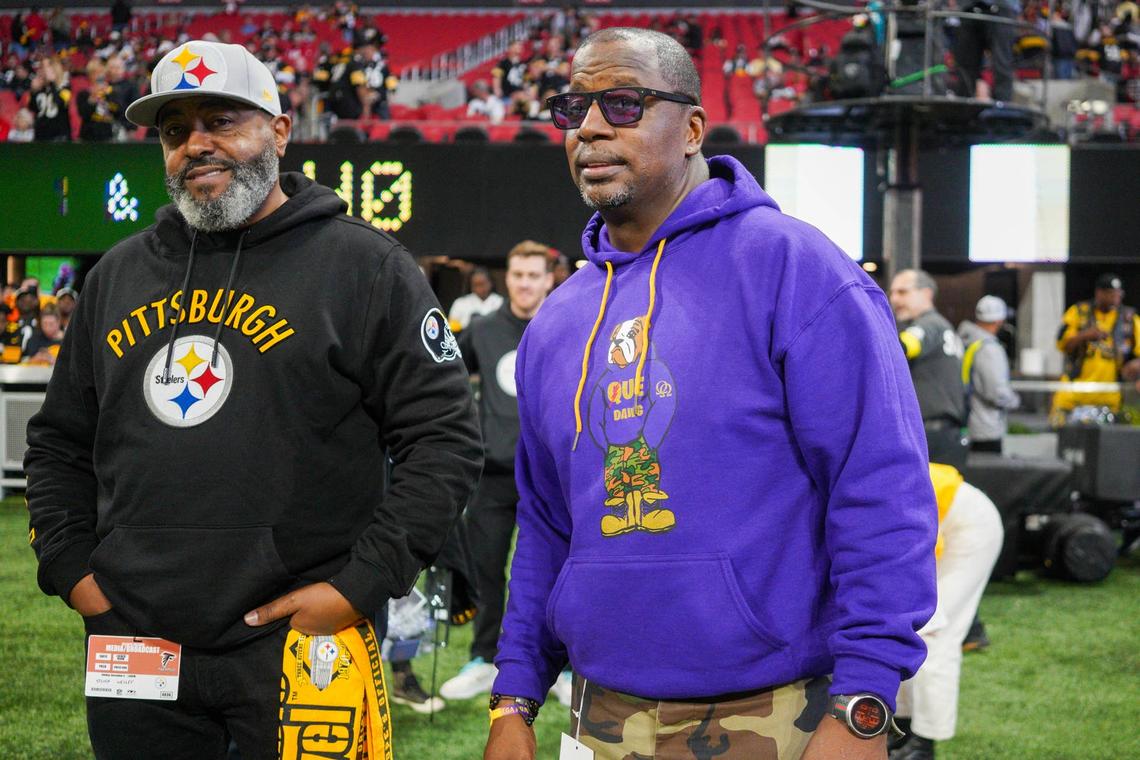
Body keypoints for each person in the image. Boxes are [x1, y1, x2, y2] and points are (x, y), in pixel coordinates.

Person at [484, 27, 936, 760]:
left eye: (622, 103)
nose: (590, 127)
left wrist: (863, 701)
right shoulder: (558, 321)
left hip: (775, 707)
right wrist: (514, 697)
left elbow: (879, 488)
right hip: (598, 711)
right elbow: (544, 527)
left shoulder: (796, 268)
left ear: (693, 129)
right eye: (573, 108)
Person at [25, 40, 481, 760]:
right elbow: (57, 444)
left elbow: (445, 439)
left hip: (303, 637)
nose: (196, 146)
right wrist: (74, 572)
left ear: (279, 131)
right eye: (176, 132)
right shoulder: (116, 276)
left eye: (222, 122)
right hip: (132, 635)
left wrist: (361, 584)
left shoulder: (366, 267)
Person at [440, 241, 555, 703]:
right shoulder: (484, 330)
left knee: (556, 571)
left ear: (549, 279)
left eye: (534, 275)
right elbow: (442, 375)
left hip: (551, 477)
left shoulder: (565, 324)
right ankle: (484, 657)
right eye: (518, 275)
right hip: (494, 474)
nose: (525, 284)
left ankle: (561, 667)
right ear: (508, 278)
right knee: (486, 568)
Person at [891, 465, 1003, 760]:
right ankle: (902, 732)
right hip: (939, 524)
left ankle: (923, 745)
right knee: (906, 629)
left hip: (967, 526)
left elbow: (924, 541)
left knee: (933, 631)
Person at [889, 269, 969, 470]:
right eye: (893, 292)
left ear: (926, 294)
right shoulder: (942, 326)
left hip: (932, 437)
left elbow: (901, 347)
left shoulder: (930, 324)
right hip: (944, 434)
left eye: (902, 292)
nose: (894, 299)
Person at [1051, 272, 1140, 422]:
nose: (1115, 298)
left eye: (1118, 294)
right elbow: (1062, 345)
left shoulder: (1129, 318)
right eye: (1111, 293)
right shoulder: (1079, 312)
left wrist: (1136, 366)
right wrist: (1084, 335)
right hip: (1073, 394)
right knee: (1062, 433)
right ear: (1099, 293)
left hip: (1110, 396)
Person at [957, 295, 1020, 453]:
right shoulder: (989, 349)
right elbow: (997, 392)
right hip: (985, 427)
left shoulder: (964, 340)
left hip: (964, 424)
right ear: (999, 321)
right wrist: (1015, 401)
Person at [955, 0, 1018, 101]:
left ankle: (1002, 107)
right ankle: (963, 106)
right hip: (969, 7)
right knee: (966, 65)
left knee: (1002, 64)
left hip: (1003, 7)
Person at [449, 267, 503, 331]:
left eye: (482, 284)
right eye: (476, 285)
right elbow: (451, 327)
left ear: (491, 283)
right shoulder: (460, 303)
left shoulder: (500, 302)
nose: (479, 288)